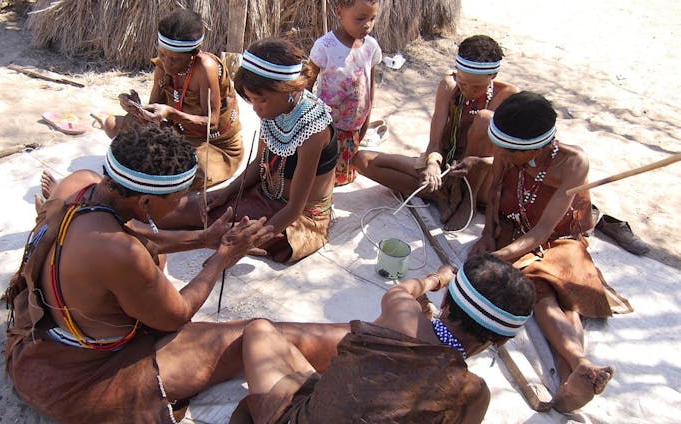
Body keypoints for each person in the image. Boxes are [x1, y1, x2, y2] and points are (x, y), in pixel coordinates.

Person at [4, 124, 349, 423]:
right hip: (86, 380)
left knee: (155, 262)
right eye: (177, 199)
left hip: (42, 343)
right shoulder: (120, 254)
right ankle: (367, 340)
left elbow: (136, 234)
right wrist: (221, 259)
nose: (181, 206)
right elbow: (176, 317)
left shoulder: (80, 185)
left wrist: (203, 238)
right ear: (144, 204)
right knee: (251, 336)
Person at [469, 92, 633, 413]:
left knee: (566, 290)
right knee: (540, 290)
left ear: (537, 147)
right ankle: (580, 365)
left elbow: (544, 232)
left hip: (560, 237)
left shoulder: (573, 163)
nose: (500, 152)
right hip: (516, 229)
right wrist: (488, 234)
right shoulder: (508, 147)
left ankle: (577, 370)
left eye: (509, 150)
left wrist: (495, 259)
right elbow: (497, 189)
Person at [229, 254, 536, 423]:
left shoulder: (401, 313)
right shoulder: (474, 393)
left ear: (445, 302)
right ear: (499, 342)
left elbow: (402, 290)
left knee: (259, 331)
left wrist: (436, 278)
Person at [159, 38, 337, 263]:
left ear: (287, 90)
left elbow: (294, 209)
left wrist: (250, 240)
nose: (256, 108)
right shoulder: (276, 108)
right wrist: (229, 191)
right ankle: (127, 225)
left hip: (300, 217)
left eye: (260, 101)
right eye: (251, 101)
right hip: (265, 193)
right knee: (192, 208)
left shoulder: (314, 129)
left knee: (227, 233)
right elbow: (258, 163)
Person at [355, 35, 518, 229]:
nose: (468, 92)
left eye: (477, 87)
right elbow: (435, 142)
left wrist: (475, 163)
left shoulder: (508, 96)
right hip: (446, 168)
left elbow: (509, 159)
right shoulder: (449, 86)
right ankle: (441, 194)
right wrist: (432, 164)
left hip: (480, 177)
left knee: (485, 119)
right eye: (463, 83)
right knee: (363, 160)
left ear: (493, 76)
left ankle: (468, 201)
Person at [98, 8, 244, 189]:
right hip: (176, 131)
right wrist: (138, 109)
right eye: (162, 54)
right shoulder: (163, 65)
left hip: (213, 144)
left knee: (185, 173)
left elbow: (212, 124)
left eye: (174, 59)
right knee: (114, 125)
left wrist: (172, 113)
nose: (166, 63)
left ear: (193, 55)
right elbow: (153, 113)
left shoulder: (206, 69)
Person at [307, 0, 382, 186]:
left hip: (354, 126)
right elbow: (307, 84)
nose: (367, 24)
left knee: (345, 177)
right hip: (327, 126)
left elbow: (370, 85)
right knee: (322, 177)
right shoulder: (325, 46)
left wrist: (367, 118)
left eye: (372, 18)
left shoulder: (370, 47)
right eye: (360, 18)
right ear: (340, 12)